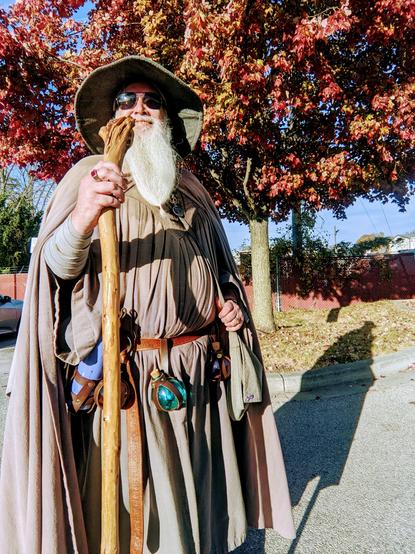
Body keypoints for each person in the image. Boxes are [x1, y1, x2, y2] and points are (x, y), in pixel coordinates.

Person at [0, 56, 295, 553]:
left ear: (167, 117)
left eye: (152, 101)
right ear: (112, 116)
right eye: (127, 100)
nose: (140, 109)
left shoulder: (190, 188)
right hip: (130, 381)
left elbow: (219, 269)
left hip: (200, 375)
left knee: (199, 497)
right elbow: (54, 267)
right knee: (142, 514)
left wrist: (228, 303)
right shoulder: (88, 176)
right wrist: (85, 217)